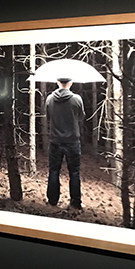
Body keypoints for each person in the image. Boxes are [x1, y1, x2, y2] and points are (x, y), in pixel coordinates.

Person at [45, 77, 85, 209]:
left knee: (54, 171)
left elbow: (48, 116)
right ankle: (75, 203)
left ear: (57, 82)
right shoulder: (76, 99)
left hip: (55, 140)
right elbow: (81, 116)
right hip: (72, 141)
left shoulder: (50, 99)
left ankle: (52, 200)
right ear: (71, 83)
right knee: (74, 172)